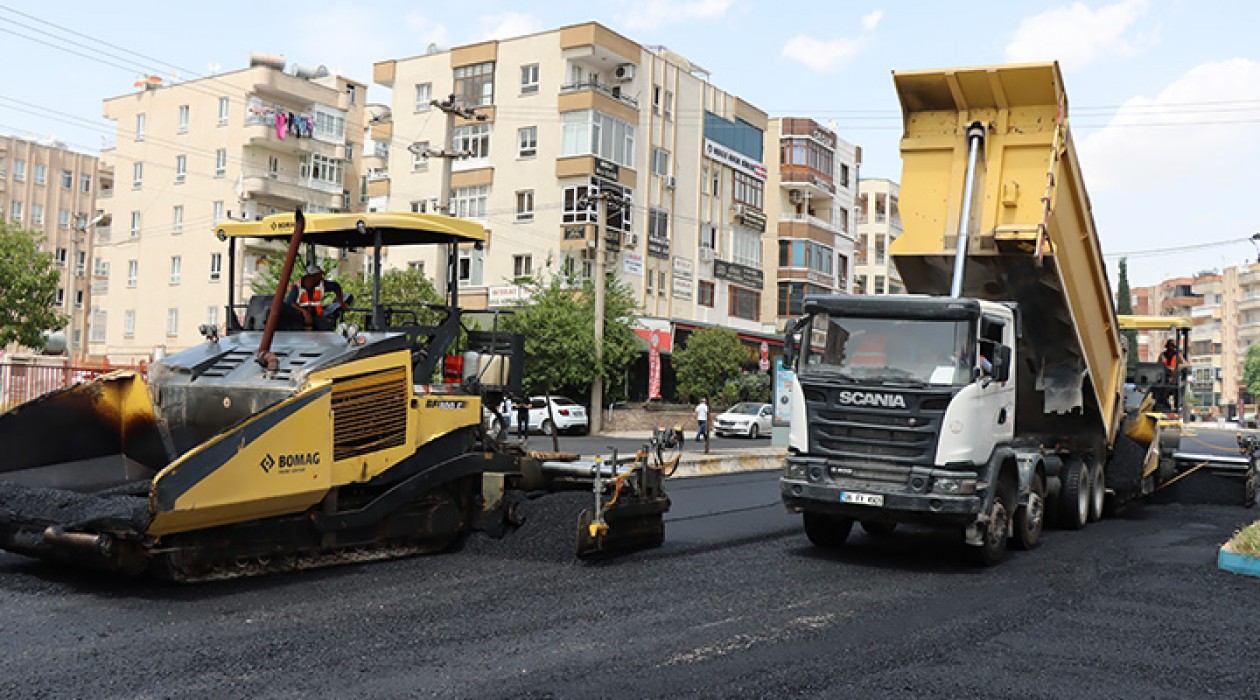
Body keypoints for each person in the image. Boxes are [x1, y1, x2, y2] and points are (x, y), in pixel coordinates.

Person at [284, 264, 345, 330]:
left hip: (317, 316)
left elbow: (336, 286)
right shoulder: (297, 287)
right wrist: (304, 312)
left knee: (326, 327)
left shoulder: (322, 285)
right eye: (319, 275)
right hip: (300, 317)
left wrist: (341, 303)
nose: (321, 278)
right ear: (312, 276)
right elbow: (289, 302)